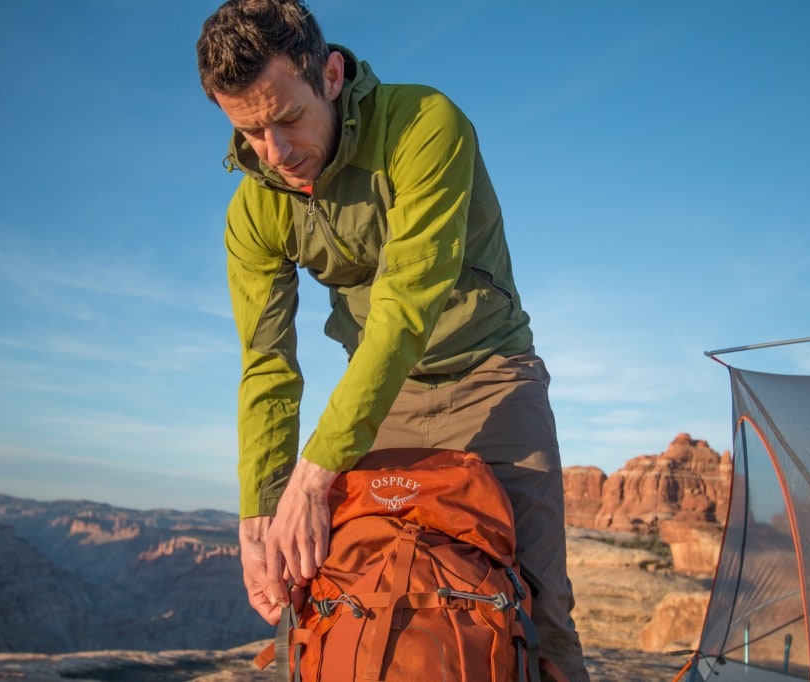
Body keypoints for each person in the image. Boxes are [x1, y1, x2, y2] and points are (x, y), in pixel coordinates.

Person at [196, 1, 588, 679]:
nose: (275, 154)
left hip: (491, 377)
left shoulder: (424, 125)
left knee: (540, 612)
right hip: (381, 399)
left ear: (331, 75)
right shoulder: (254, 208)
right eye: (250, 132)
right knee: (323, 598)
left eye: (287, 119)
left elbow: (407, 306)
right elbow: (267, 365)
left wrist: (314, 476)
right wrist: (258, 517)